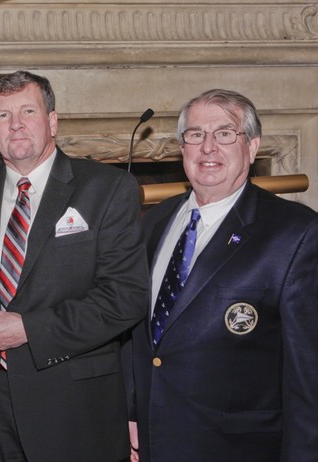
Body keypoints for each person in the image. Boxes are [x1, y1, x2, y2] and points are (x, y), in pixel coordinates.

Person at [0, 70, 149, 461]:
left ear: (52, 121)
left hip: (73, 412)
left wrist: (30, 329)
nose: (15, 125)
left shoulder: (107, 188)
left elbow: (126, 298)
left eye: (27, 111)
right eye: (2, 115)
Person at [127, 89, 318, 461]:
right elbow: (137, 334)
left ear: (253, 147)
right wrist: (131, 411)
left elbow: (308, 377)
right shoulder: (155, 222)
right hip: (154, 443)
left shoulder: (296, 233)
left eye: (225, 134)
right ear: (182, 148)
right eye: (196, 134)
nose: (208, 147)